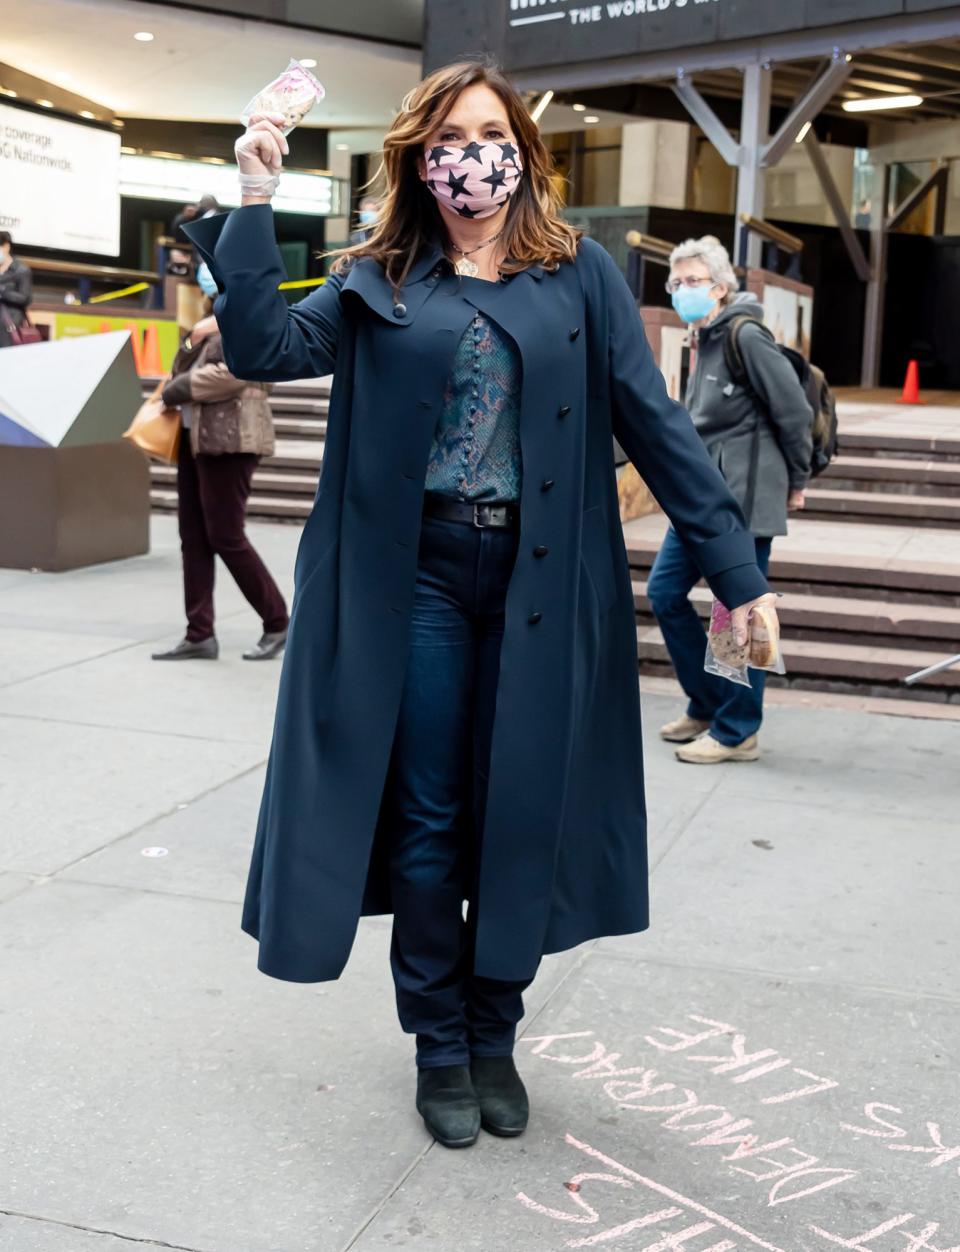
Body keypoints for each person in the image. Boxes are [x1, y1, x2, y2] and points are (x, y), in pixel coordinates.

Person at [183, 60, 776, 1151]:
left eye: (491, 132)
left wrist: (738, 576)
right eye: (450, 134)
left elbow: (655, 424)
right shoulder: (380, 272)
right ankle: (438, 1044)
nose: (473, 152)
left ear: (523, 151)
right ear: (420, 155)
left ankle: (495, 1029)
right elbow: (266, 348)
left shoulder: (581, 275)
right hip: (413, 581)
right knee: (429, 817)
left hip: (541, 582)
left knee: (522, 807)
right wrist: (257, 195)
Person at [649, 236, 812, 764]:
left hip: (744, 500)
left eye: (693, 281)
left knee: (738, 611)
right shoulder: (704, 338)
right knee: (665, 592)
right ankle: (707, 704)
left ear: (721, 287)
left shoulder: (745, 335)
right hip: (703, 500)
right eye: (676, 283)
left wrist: (798, 479)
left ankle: (738, 728)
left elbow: (793, 410)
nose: (682, 291)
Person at [152, 263, 289, 663]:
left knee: (226, 535)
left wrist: (176, 391)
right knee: (192, 537)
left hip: (233, 440)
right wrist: (194, 338)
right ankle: (199, 633)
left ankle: (278, 621)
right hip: (196, 438)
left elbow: (238, 372)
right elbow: (183, 366)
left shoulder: (254, 313)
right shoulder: (212, 315)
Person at [0, 232, 33, 349]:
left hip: (10, 325)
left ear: (6, 246)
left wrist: (2, 293)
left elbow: (25, 298)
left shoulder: (21, 270)